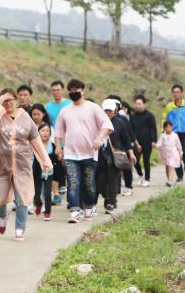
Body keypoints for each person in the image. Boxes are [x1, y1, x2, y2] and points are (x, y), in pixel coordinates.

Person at [0, 89, 52, 241]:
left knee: (22, 198)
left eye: (10, 100)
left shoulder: (25, 117)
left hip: (22, 166)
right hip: (1, 166)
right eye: (4, 101)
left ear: (16, 101)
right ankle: (3, 216)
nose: (8, 104)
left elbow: (36, 140)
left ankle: (20, 229)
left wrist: (45, 161)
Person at [53, 79, 113, 223]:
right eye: (71, 90)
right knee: (73, 183)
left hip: (89, 154)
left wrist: (99, 138)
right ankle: (74, 212)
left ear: (83, 90)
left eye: (77, 89)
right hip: (71, 154)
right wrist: (58, 147)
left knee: (89, 184)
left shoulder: (93, 108)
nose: (74, 92)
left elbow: (107, 125)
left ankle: (88, 209)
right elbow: (58, 131)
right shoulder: (65, 110)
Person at [97, 100, 135, 214]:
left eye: (110, 110)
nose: (107, 113)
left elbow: (126, 140)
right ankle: (107, 197)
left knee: (113, 179)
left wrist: (131, 153)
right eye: (105, 110)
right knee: (101, 180)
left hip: (115, 155)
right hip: (100, 155)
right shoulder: (97, 123)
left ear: (115, 111)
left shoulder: (119, 123)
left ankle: (111, 203)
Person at [161, 84, 185, 182]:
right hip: (173, 133)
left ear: (181, 93)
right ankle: (179, 175)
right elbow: (164, 119)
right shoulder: (169, 106)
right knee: (174, 155)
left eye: (178, 92)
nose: (176, 94)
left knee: (184, 153)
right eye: (174, 92)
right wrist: (163, 130)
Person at [45, 80, 70, 204]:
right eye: (53, 90)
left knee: (70, 168)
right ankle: (56, 191)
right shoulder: (48, 107)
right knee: (56, 165)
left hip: (70, 140)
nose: (56, 92)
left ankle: (70, 193)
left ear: (63, 90)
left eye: (58, 90)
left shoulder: (69, 104)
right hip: (55, 140)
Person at [130, 95, 157, 187]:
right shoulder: (132, 116)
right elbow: (131, 129)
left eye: (139, 104)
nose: (137, 106)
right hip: (136, 142)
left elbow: (154, 128)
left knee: (146, 160)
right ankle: (141, 174)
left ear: (144, 104)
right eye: (136, 104)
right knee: (134, 160)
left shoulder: (150, 116)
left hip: (147, 141)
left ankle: (147, 179)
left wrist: (154, 140)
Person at [32, 123, 57, 220]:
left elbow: (55, 160)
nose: (45, 133)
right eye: (43, 131)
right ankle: (38, 204)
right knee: (37, 194)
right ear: (38, 133)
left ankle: (47, 213)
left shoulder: (52, 145)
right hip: (37, 172)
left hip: (49, 173)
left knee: (47, 193)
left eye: (47, 131)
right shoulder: (35, 145)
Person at [157, 120, 183, 187]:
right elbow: (159, 144)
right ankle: (168, 179)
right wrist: (155, 145)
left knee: (171, 166)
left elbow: (178, 145)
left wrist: (180, 153)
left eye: (170, 127)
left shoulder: (175, 135)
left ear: (172, 127)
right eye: (167, 127)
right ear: (164, 128)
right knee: (167, 167)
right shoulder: (163, 136)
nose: (168, 128)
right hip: (165, 154)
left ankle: (170, 181)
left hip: (173, 153)